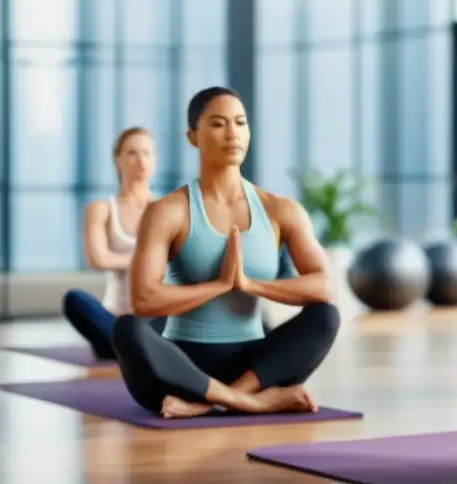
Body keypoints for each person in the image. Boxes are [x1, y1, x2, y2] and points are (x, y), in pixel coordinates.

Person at [110, 87, 341, 418]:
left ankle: (213, 402)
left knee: (326, 317)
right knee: (126, 329)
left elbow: (323, 288)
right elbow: (143, 299)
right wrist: (217, 286)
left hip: (253, 367)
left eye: (240, 122)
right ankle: (252, 402)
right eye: (218, 124)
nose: (232, 133)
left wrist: (250, 285)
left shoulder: (280, 210)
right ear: (193, 136)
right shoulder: (168, 211)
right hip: (179, 370)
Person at [62, 127, 165, 360]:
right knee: (74, 300)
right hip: (116, 316)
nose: (141, 161)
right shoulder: (101, 208)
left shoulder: (168, 208)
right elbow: (99, 259)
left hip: (157, 317)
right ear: (117, 159)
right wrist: (151, 259)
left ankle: (133, 348)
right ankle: (132, 347)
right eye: (132, 153)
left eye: (147, 153)